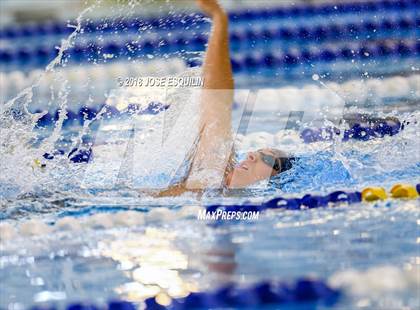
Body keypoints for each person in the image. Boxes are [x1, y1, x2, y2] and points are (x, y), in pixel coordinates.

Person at [157, 0, 295, 196]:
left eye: (267, 159)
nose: (252, 155)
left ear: (276, 181)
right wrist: (220, 20)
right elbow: (216, 98)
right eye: (258, 152)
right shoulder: (213, 173)